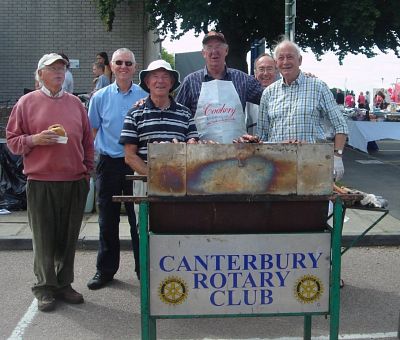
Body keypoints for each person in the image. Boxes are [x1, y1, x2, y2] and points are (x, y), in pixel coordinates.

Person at [6, 53, 94, 312]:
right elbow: (12, 142)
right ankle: (45, 287)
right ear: (40, 74)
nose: (59, 72)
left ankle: (64, 284)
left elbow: (87, 142)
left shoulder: (76, 104)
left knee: (68, 238)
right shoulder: (26, 103)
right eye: (52, 68)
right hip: (41, 181)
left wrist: (87, 172)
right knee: (44, 239)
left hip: (74, 181)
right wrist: (34, 140)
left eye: (62, 68)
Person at [87, 48, 148, 289]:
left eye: (128, 63)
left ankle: (143, 270)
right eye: (119, 63)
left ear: (134, 67)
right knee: (107, 220)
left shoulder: (144, 96)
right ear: (111, 67)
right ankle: (105, 270)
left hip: (135, 164)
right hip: (109, 164)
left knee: (139, 221)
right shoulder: (100, 97)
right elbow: (91, 132)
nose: (123, 67)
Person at [258, 39, 348, 181]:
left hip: (312, 164)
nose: (285, 62)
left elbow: (340, 125)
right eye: (281, 58)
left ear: (299, 60)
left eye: (290, 57)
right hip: (277, 167)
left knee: (313, 204)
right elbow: (262, 135)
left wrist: (337, 156)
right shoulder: (268, 93)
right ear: (276, 63)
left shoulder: (318, 87)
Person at [119, 59, 198, 204]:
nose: (160, 81)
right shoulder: (135, 114)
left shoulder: (185, 114)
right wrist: (155, 177)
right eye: (155, 76)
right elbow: (129, 156)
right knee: (144, 225)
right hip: (145, 182)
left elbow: (193, 149)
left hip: (179, 183)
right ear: (147, 82)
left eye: (165, 76)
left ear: (172, 83)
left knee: (178, 224)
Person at [176, 31, 263, 143]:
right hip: (200, 155)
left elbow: (267, 99)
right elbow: (178, 114)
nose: (214, 51)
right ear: (203, 53)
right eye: (209, 47)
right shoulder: (190, 81)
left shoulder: (242, 79)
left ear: (226, 51)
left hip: (238, 152)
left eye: (218, 47)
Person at [245, 53, 278, 134]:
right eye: (261, 69)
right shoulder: (246, 97)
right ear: (255, 72)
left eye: (269, 69)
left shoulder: (286, 95)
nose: (265, 73)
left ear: (276, 71)